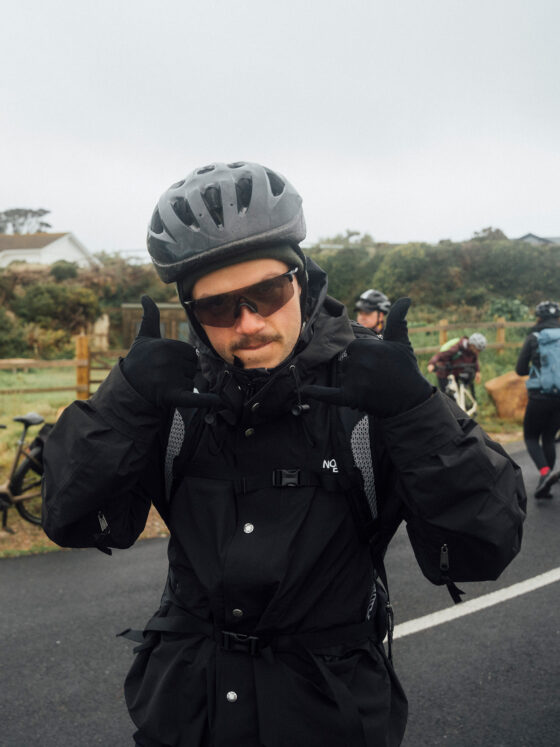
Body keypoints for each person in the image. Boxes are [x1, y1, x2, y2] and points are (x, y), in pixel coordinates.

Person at [42, 162, 526, 747]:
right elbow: (70, 517)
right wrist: (121, 403)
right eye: (219, 308)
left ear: (304, 281)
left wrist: (417, 413)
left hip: (329, 716)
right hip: (185, 715)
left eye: (268, 293)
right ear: (191, 315)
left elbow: (483, 546)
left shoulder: (373, 400)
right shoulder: (174, 405)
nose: (248, 323)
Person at [516, 300, 560, 499]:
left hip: (540, 396)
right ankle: (548, 478)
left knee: (531, 437)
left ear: (539, 317)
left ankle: (544, 472)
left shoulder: (533, 337)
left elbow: (520, 370)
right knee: (549, 437)